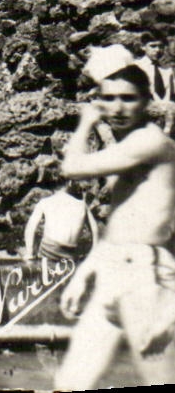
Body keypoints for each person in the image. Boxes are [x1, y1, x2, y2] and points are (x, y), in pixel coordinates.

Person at [53, 63, 175, 388]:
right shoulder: (132, 147)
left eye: (128, 98)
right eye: (109, 98)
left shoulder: (151, 143)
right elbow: (123, 222)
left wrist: (86, 122)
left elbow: (72, 167)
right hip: (113, 271)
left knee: (159, 377)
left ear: (147, 100)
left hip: (145, 279)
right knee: (71, 383)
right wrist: (87, 270)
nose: (118, 108)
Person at [24, 179, 97, 262]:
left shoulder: (45, 202)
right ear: (70, 183)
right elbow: (94, 228)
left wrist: (29, 253)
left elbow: (31, 228)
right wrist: (95, 251)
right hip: (71, 252)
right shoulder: (82, 204)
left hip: (49, 250)